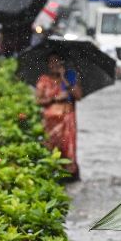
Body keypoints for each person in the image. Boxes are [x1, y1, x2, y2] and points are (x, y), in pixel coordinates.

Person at [34, 53, 83, 182]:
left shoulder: (70, 77)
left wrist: (64, 80)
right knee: (51, 147)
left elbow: (78, 96)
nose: (55, 64)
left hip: (67, 120)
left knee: (68, 149)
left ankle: (69, 175)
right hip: (51, 122)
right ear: (48, 64)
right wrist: (55, 98)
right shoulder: (44, 80)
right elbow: (37, 101)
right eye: (52, 61)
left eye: (58, 61)